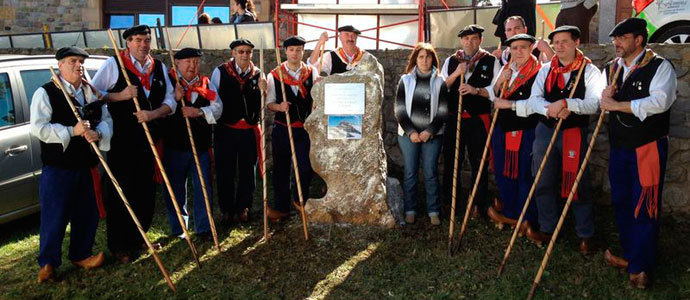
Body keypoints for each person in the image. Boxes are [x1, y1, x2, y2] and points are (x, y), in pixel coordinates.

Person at [601, 18, 677, 289]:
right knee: (622, 201)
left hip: (648, 148)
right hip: (620, 148)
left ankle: (642, 267)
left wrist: (616, 104)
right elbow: (602, 102)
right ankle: (631, 254)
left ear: (639, 40)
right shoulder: (612, 69)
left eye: (622, 38)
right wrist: (604, 98)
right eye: (615, 39)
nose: (616, 43)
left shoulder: (660, 66)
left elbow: (660, 101)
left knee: (645, 205)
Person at [91, 25, 176, 263]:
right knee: (121, 192)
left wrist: (154, 113)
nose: (143, 44)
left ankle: (140, 236)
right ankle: (120, 245)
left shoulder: (158, 66)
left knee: (145, 191)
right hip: (122, 140)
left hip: (150, 139)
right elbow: (93, 94)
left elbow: (171, 100)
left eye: (146, 40)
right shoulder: (113, 64)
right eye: (137, 40)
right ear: (128, 42)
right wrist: (120, 96)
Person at [30, 46, 112, 282]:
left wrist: (98, 133)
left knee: (86, 213)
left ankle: (81, 254)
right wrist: (71, 131)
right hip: (58, 168)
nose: (79, 65)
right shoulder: (46, 93)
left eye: (81, 61)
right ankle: (48, 263)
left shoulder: (90, 92)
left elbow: (106, 119)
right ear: (60, 65)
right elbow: (38, 128)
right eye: (72, 61)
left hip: (86, 165)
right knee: (54, 216)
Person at [523, 26, 604, 255]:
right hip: (546, 129)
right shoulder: (547, 69)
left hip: (573, 133)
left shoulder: (589, 71)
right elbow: (533, 99)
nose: (559, 46)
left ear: (576, 42)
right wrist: (551, 110)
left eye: (564, 42)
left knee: (577, 182)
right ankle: (548, 228)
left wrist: (568, 104)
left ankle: (585, 234)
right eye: (556, 42)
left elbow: (594, 103)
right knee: (543, 179)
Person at [441, 25, 500, 219]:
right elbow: (441, 88)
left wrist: (476, 90)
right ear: (461, 41)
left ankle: (477, 204)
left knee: (479, 163)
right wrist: (457, 73)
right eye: (466, 39)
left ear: (480, 40)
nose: (470, 42)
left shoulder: (491, 61)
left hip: (478, 121)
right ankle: (451, 202)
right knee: (451, 161)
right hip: (453, 119)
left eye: (474, 38)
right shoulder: (451, 61)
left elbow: (495, 91)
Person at [484, 34, 541, 232]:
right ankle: (510, 212)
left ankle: (525, 217)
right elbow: (493, 93)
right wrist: (500, 83)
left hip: (525, 129)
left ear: (531, 47)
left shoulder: (539, 71)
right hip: (503, 127)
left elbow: (536, 104)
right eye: (514, 48)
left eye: (523, 47)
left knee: (523, 173)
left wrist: (508, 104)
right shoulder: (508, 68)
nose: (518, 52)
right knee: (504, 171)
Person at [163, 48, 221, 239]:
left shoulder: (205, 83)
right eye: (187, 62)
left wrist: (198, 112)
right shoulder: (169, 82)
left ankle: (203, 227)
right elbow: (160, 108)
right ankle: (179, 228)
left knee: (203, 187)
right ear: (177, 63)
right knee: (175, 187)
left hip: (200, 145)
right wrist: (176, 99)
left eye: (195, 62)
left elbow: (218, 108)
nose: (192, 66)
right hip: (175, 145)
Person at [265, 36, 320, 221]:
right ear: (285, 52)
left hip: (304, 130)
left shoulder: (311, 72)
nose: (295, 53)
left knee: (305, 167)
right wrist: (279, 107)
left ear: (303, 51)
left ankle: (300, 201)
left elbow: (317, 98)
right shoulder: (275, 75)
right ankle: (281, 208)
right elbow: (269, 103)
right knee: (281, 168)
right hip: (282, 128)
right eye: (291, 50)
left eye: (299, 50)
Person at [395, 43, 449, 226]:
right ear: (415, 59)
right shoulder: (405, 80)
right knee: (410, 172)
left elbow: (442, 111)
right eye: (421, 57)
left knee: (430, 172)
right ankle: (410, 209)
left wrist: (429, 131)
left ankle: (433, 210)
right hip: (408, 135)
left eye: (428, 57)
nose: (424, 60)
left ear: (433, 59)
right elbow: (399, 110)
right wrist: (411, 132)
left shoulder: (440, 81)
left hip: (432, 135)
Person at [211, 39, 264, 224]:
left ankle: (243, 207)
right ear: (233, 53)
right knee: (225, 170)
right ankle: (226, 209)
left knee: (248, 170)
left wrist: (263, 91)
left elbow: (263, 101)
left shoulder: (258, 74)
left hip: (248, 130)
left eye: (248, 52)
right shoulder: (220, 71)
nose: (244, 55)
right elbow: (213, 98)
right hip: (226, 129)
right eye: (240, 51)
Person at [308, 25, 372, 75]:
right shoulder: (330, 56)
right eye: (346, 34)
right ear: (340, 37)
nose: (350, 38)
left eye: (353, 35)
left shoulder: (366, 56)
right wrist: (319, 43)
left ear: (357, 38)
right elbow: (313, 65)